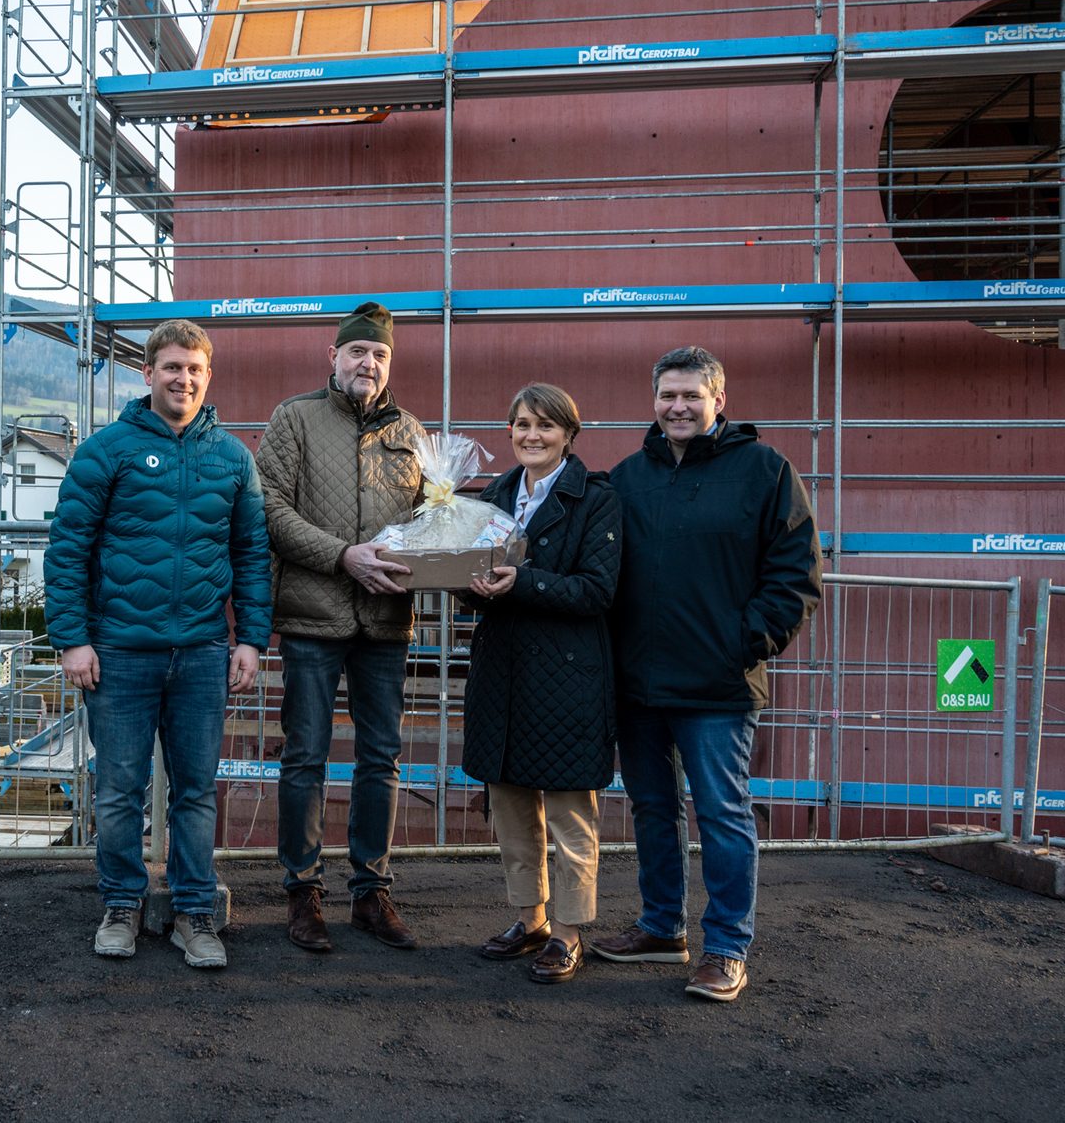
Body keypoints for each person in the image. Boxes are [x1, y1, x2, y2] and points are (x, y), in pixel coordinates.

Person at [594, 345, 821, 1002]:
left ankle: (725, 946)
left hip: (718, 684)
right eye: (668, 394)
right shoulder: (628, 477)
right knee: (653, 808)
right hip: (638, 683)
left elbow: (795, 576)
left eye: (692, 394)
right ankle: (662, 925)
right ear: (654, 400)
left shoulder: (765, 471)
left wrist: (743, 642)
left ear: (720, 399)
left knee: (721, 812)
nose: (679, 406)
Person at [44, 319, 272, 969]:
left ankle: (195, 913)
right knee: (119, 789)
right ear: (148, 374)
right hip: (119, 652)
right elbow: (68, 550)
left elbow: (253, 555)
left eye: (195, 368)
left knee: (198, 789)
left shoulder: (232, 458)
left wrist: (250, 639)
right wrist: (73, 639)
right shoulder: (107, 449)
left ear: (208, 374)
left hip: (202, 652)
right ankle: (121, 903)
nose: (184, 378)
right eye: (172, 367)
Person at [254, 301, 426, 952]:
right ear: (334, 356)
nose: (368, 362)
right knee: (305, 756)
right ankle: (303, 892)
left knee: (381, 758)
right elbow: (268, 508)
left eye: (379, 354)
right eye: (358, 351)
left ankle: (370, 891)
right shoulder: (294, 419)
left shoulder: (410, 431)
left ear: (389, 363)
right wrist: (342, 555)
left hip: (385, 619)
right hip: (312, 617)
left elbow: (424, 521)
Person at [458, 383, 620, 984]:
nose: (533, 435)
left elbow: (598, 590)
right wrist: (454, 574)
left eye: (546, 426)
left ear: (568, 434)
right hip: (503, 671)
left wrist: (522, 583)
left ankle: (571, 933)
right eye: (522, 424)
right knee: (511, 805)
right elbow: (471, 571)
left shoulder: (596, 500)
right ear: (510, 431)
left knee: (571, 814)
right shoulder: (494, 495)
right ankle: (531, 921)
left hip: (567, 673)